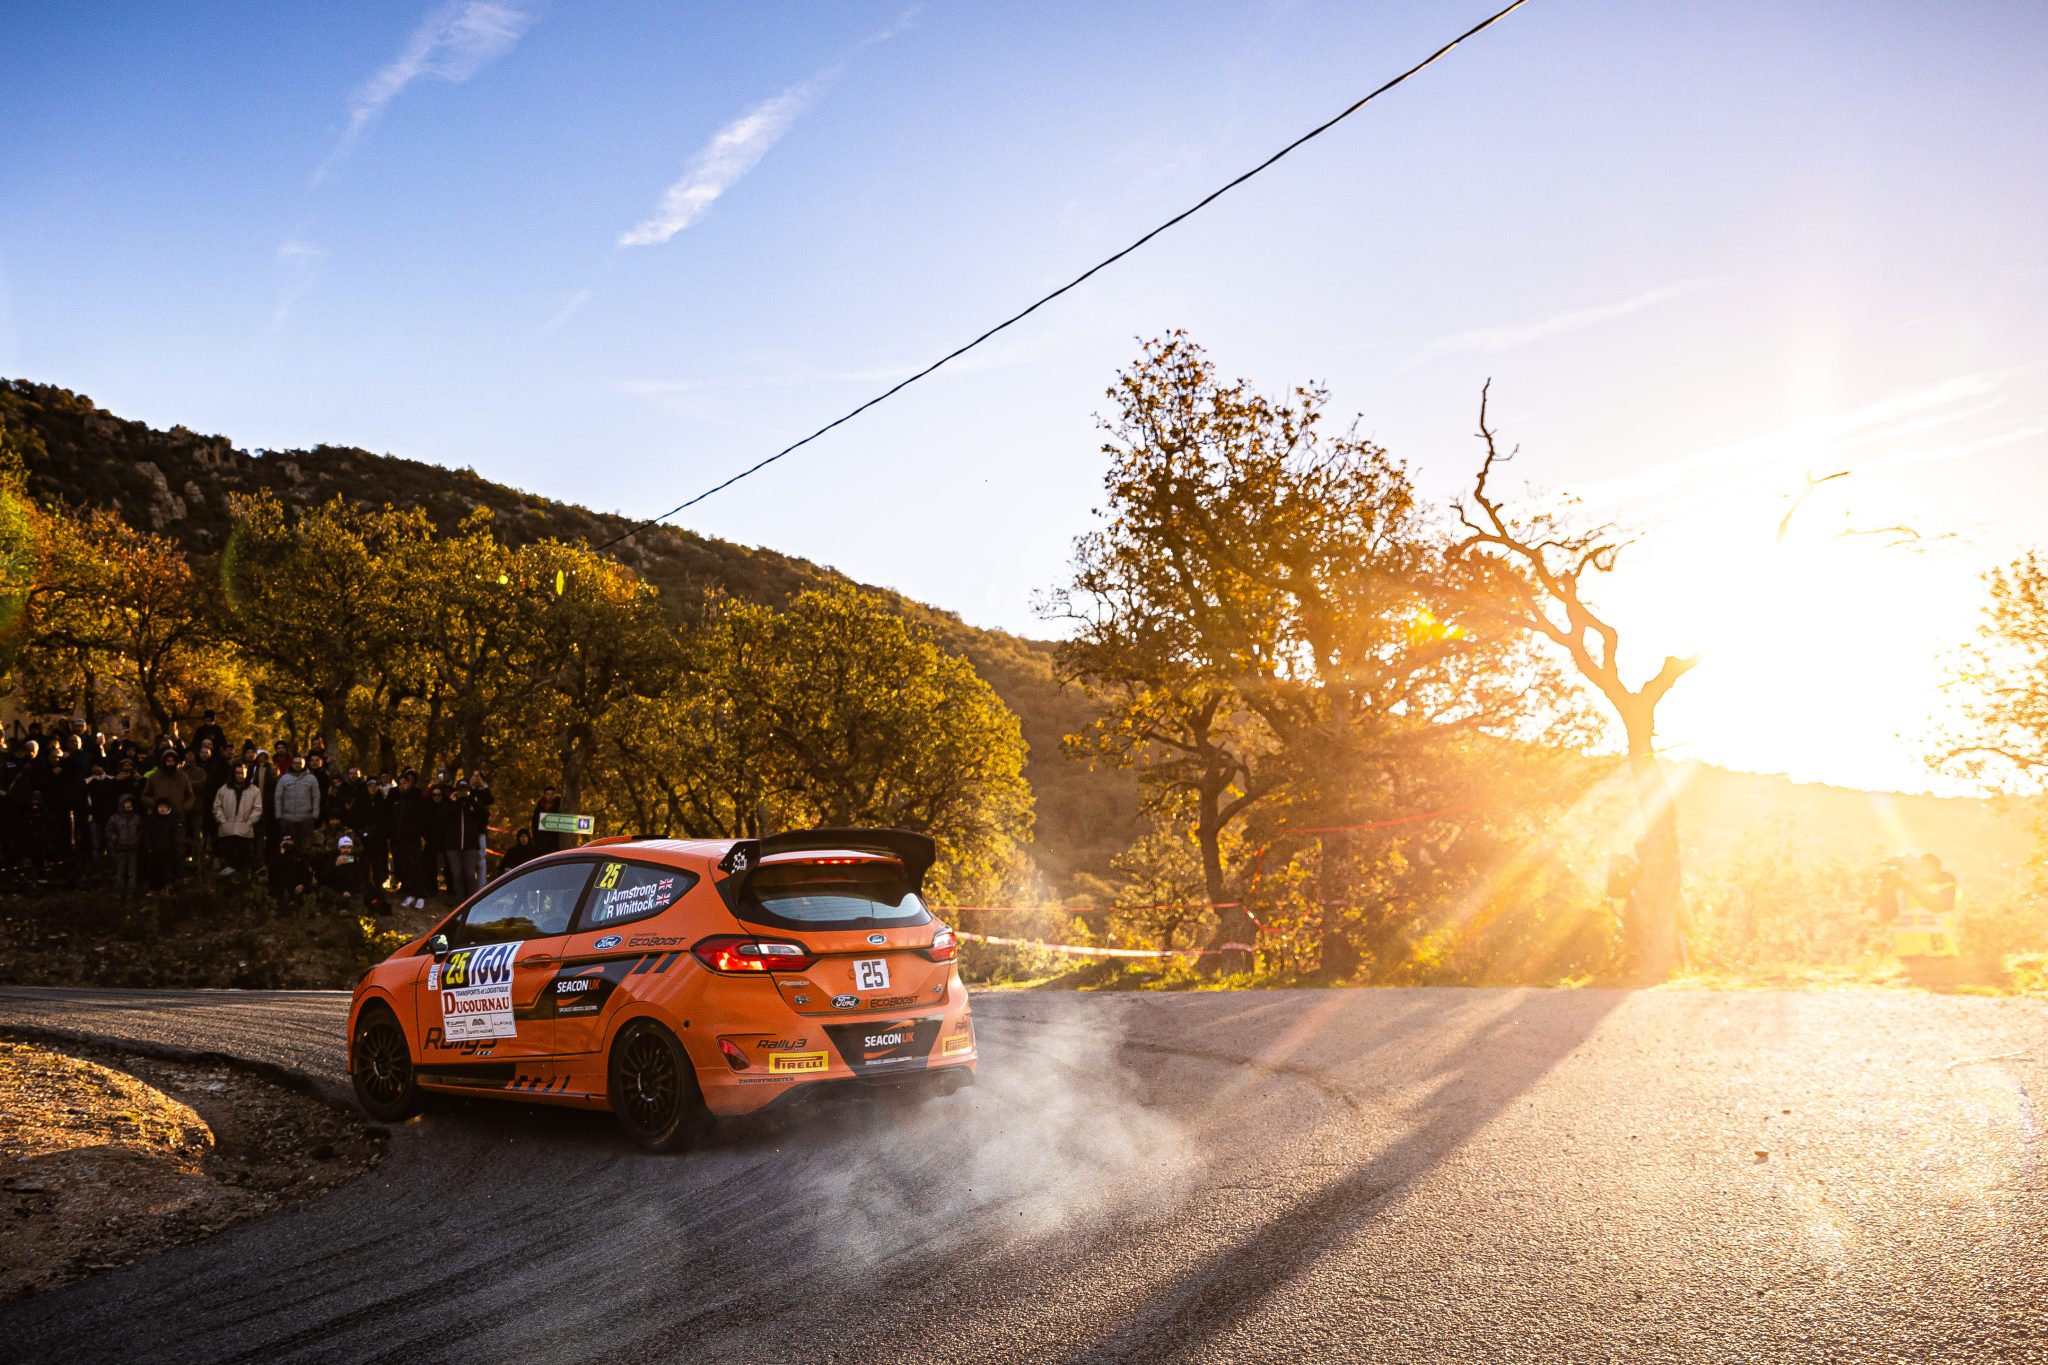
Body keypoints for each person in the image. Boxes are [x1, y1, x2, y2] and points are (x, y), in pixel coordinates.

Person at [212, 761, 263, 877]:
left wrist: (249, 823)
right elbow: (217, 807)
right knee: (228, 861)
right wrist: (223, 822)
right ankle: (228, 884)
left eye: (242, 773)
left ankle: (243, 883)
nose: (240, 775)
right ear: (233, 774)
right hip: (227, 831)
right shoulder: (223, 789)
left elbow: (257, 809)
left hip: (245, 832)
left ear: (246, 773)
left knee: (243, 861)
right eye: (237, 773)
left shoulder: (254, 790)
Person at [273, 754, 321, 845]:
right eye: (295, 763)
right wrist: (278, 816)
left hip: (306, 819)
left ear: (304, 764)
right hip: (287, 820)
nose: (297, 765)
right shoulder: (284, 778)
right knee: (288, 846)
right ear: (292, 764)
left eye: (300, 763)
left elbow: (316, 797)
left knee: (305, 846)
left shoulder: (311, 778)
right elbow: (278, 797)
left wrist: (315, 816)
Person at [106, 793, 144, 901]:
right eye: (126, 803)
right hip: (120, 849)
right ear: (121, 804)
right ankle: (119, 892)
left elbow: (141, 830)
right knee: (120, 873)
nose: (128, 805)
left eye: (130, 803)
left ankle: (131, 893)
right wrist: (115, 839)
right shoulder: (114, 818)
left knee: (132, 873)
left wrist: (137, 840)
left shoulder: (137, 818)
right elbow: (109, 831)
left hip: (133, 850)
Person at [142, 796, 183, 889]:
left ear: (168, 808)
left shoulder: (172, 820)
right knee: (154, 870)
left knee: (165, 869)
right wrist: (148, 847)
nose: (162, 809)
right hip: (154, 849)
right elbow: (147, 833)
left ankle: (164, 888)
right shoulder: (152, 819)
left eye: (164, 807)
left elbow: (174, 836)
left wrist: (173, 848)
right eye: (160, 807)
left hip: (167, 850)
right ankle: (154, 888)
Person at [269, 833, 313, 900]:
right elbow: (273, 873)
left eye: (290, 841)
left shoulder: (300, 856)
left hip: (296, 887)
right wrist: (281, 852)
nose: (288, 843)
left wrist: (302, 884)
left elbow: (305, 873)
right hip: (281, 888)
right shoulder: (277, 857)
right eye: (286, 841)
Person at [532, 785, 564, 853]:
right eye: (548, 794)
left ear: (555, 795)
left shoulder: (559, 806)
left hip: (554, 842)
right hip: (541, 842)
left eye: (552, 794)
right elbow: (534, 825)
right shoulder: (539, 808)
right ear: (544, 795)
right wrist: (536, 841)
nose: (550, 796)